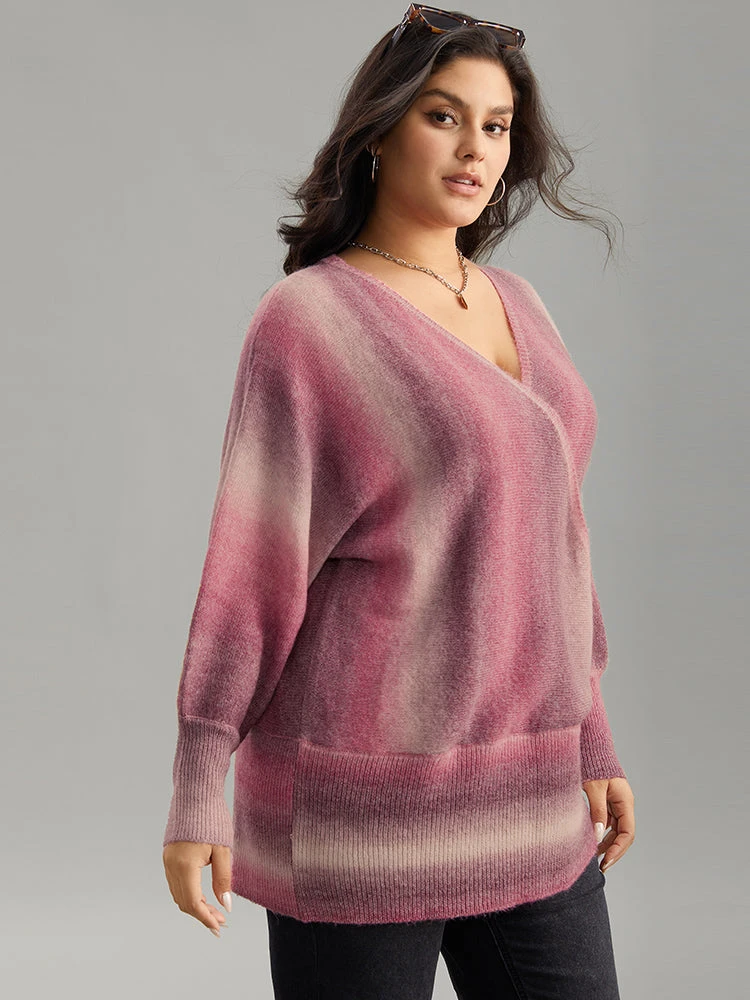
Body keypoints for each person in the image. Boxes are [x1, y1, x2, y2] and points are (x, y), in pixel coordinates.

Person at [162, 5, 636, 998]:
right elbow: (252, 576)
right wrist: (200, 779)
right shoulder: (308, 321)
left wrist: (589, 733)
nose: (476, 149)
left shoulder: (521, 305)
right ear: (380, 129)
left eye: (496, 125)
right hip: (364, 811)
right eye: (443, 115)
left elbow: (555, 545)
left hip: (532, 796)